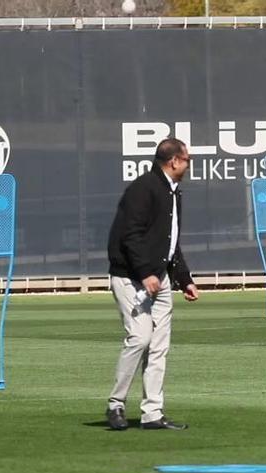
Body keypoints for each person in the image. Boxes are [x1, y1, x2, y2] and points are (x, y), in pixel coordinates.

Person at [105, 138, 200, 431]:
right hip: (130, 277)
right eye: (187, 160)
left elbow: (170, 243)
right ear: (173, 161)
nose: (188, 165)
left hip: (160, 279)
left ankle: (152, 413)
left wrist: (184, 279)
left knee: (159, 347)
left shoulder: (173, 192)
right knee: (140, 338)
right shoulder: (143, 188)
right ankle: (116, 404)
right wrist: (145, 272)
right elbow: (129, 235)